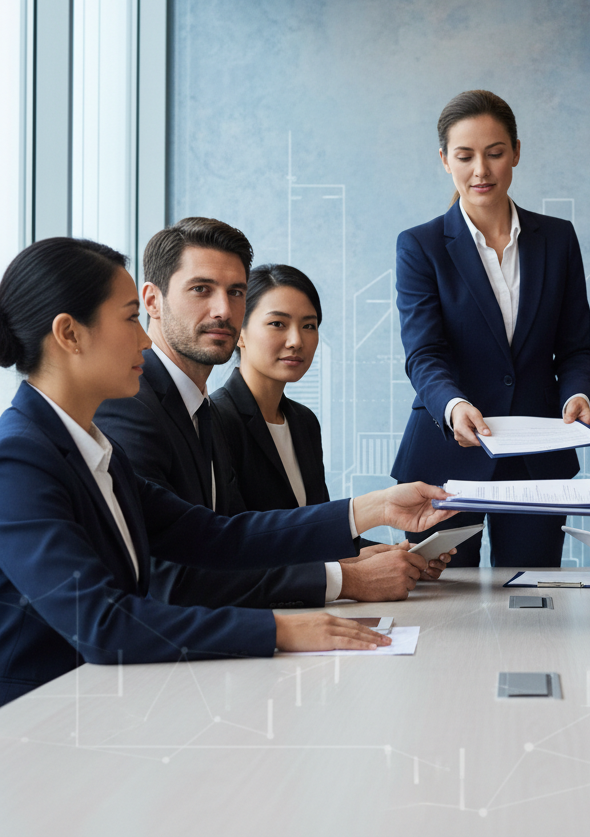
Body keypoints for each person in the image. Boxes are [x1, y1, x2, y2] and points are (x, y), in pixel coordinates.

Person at [0, 238, 456, 706]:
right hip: (38, 719)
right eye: (131, 317)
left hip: (103, 702)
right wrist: (280, 630)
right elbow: (103, 623)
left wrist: (375, 506)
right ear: (70, 334)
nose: (144, 339)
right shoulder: (18, 460)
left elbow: (218, 537)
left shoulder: (98, 452)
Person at [95, 218, 431, 608]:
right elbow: (167, 578)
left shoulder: (201, 410)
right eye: (201, 289)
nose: (223, 310)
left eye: (236, 292)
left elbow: (234, 539)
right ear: (152, 301)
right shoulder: (129, 406)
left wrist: (371, 521)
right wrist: (345, 578)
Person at [392, 90, 590, 567]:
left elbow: (575, 348)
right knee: (440, 597)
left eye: (495, 153)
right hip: (446, 454)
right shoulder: (420, 246)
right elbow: (424, 354)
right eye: (465, 156)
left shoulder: (558, 239)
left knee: (532, 595)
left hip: (537, 457)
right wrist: (454, 406)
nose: (480, 170)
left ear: (516, 153)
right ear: (445, 160)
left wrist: (577, 394)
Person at [211, 263, 454, 598]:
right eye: (278, 323)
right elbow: (240, 550)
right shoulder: (216, 420)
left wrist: (393, 557)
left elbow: (312, 533)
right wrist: (353, 573)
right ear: (239, 331)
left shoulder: (303, 422)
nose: (296, 340)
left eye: (309, 326)